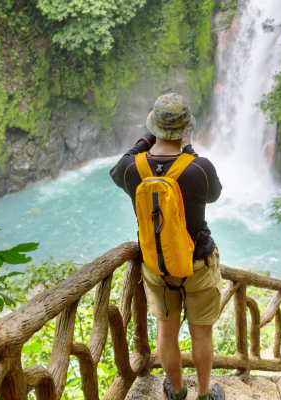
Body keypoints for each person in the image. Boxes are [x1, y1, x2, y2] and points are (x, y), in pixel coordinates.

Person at [110, 93, 225, 400]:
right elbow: (214, 194)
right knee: (202, 334)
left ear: (154, 127)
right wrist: (188, 148)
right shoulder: (198, 167)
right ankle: (203, 394)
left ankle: (176, 391)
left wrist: (148, 139)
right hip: (197, 262)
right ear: (186, 128)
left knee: (166, 331)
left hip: (156, 264)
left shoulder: (132, 169)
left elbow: (118, 167)